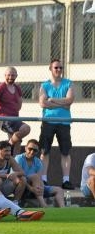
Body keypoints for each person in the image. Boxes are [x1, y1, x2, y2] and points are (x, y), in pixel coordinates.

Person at [38, 59, 74, 190]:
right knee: (44, 151)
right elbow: (42, 103)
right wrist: (61, 103)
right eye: (56, 68)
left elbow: (69, 100)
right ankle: (43, 179)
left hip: (64, 122)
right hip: (48, 121)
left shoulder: (68, 83)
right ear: (51, 69)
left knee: (65, 152)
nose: (58, 70)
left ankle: (66, 180)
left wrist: (52, 100)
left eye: (60, 68)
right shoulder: (44, 85)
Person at [0, 66, 30, 155]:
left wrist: (15, 109)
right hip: (5, 119)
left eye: (13, 75)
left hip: (15, 118)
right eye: (9, 75)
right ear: (5, 75)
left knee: (22, 136)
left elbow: (19, 103)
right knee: (21, 137)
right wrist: (0, 116)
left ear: (16, 76)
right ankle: (9, 147)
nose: (11, 77)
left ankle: (10, 149)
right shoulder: (0, 88)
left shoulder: (17, 88)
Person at [14, 139, 64, 207]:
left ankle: (63, 209)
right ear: (25, 148)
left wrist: (41, 189)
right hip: (21, 187)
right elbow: (18, 178)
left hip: (36, 187)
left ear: (37, 152)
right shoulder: (19, 158)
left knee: (59, 190)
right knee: (33, 177)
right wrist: (31, 189)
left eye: (35, 150)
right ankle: (43, 205)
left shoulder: (38, 162)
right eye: (30, 149)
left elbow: (39, 179)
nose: (32, 152)